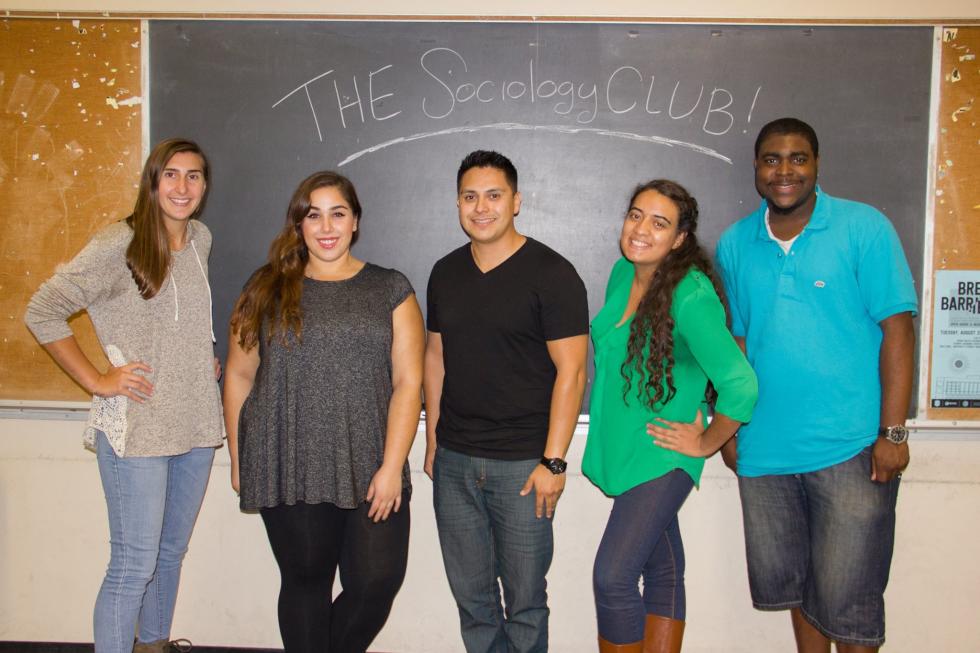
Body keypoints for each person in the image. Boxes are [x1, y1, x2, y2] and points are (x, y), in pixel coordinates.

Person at [715, 117, 917, 653]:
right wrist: (728, 430)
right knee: (801, 594)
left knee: (851, 606)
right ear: (757, 169)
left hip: (850, 450)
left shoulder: (863, 227)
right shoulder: (736, 243)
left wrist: (892, 433)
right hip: (766, 453)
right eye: (772, 159)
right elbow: (735, 345)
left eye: (798, 158)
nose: (785, 171)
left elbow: (897, 330)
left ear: (817, 165)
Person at [24, 138, 223, 653]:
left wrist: (201, 356)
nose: (182, 187)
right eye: (171, 175)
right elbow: (42, 311)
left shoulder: (200, 238)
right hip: (136, 425)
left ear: (205, 186)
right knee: (133, 563)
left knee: (169, 552)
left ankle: (151, 645)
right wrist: (96, 379)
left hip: (195, 421)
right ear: (152, 181)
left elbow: (180, 318)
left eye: (194, 176)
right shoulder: (120, 243)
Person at [222, 171, 424, 653]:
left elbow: (408, 383)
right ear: (299, 224)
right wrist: (237, 459)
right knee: (306, 584)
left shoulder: (390, 288)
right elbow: (238, 376)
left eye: (338, 213)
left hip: (372, 461)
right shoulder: (266, 287)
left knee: (377, 583)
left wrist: (393, 466)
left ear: (355, 221)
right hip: (288, 459)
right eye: (313, 215)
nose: (326, 226)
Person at [423, 150, 589, 652]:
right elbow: (435, 357)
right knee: (473, 601)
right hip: (454, 462)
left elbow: (573, 371)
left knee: (525, 603)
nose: (481, 207)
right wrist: (432, 442)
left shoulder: (552, 274)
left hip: (524, 467)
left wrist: (554, 462)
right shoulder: (445, 272)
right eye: (470, 197)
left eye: (493, 196)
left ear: (516, 202)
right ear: (457, 203)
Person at [583, 179, 757, 653]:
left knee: (612, 577)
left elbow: (741, 383)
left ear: (679, 239)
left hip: (661, 455)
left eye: (659, 223)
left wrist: (706, 441)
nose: (641, 229)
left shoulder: (690, 295)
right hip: (624, 447)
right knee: (662, 570)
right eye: (635, 214)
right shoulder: (624, 273)